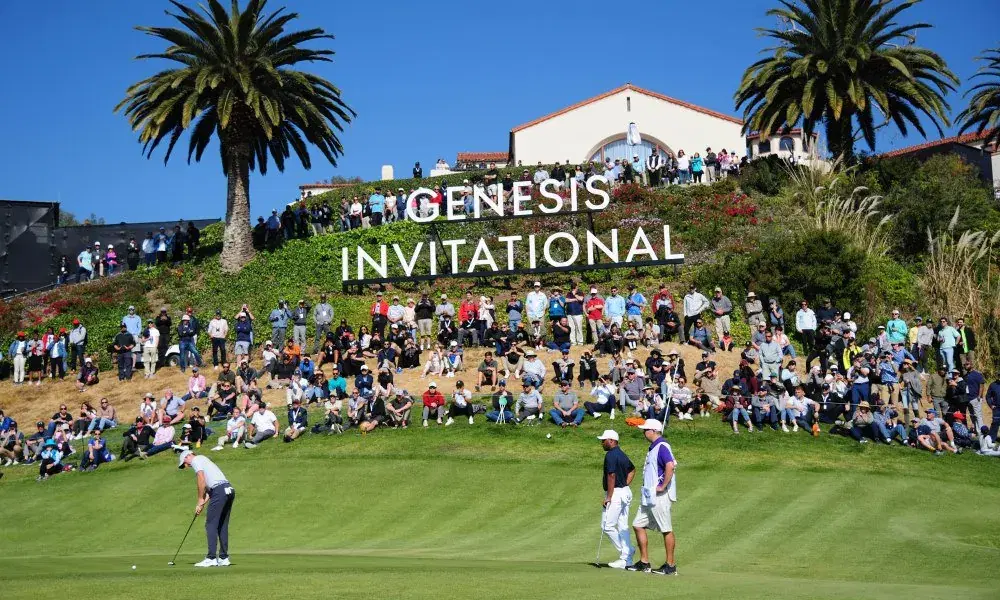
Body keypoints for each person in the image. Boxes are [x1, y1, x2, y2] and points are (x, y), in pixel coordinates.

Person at [627, 419, 678, 575]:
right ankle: (644, 562)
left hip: (660, 496)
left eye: (646, 430)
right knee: (637, 524)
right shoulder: (654, 447)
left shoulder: (662, 446)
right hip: (649, 496)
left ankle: (670, 565)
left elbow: (670, 465)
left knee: (666, 528)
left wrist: (662, 486)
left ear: (654, 431)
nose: (644, 433)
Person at [178, 449, 236, 568]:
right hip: (228, 490)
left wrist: (199, 499)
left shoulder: (196, 459)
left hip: (220, 491)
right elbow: (211, 490)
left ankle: (211, 558)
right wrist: (201, 504)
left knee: (210, 525)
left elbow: (201, 479)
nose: (187, 465)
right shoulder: (205, 460)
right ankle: (224, 558)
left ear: (187, 456)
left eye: (185, 463)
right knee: (222, 525)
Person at [598, 429, 636, 569]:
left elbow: (611, 476)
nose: (602, 443)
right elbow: (632, 470)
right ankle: (627, 560)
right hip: (625, 492)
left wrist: (609, 496)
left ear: (612, 441)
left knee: (607, 526)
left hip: (616, 493)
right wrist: (625, 485)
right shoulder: (621, 453)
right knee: (622, 526)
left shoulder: (611, 455)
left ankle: (627, 552)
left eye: (604, 440)